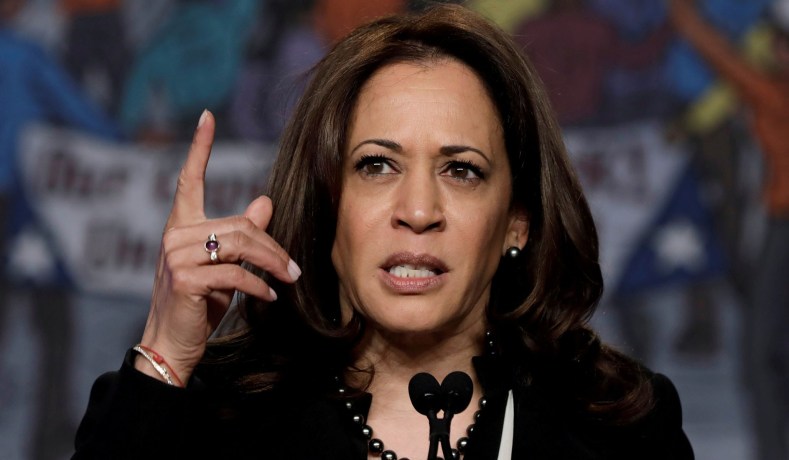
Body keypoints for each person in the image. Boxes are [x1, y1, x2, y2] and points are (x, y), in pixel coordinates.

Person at [73, 5, 694, 459]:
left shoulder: (620, 424)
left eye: (461, 170)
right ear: (328, 205)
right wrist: (165, 355)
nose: (418, 210)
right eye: (376, 165)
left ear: (518, 222)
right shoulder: (203, 413)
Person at [668, 1, 789, 459]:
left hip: (782, 225)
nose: (773, 49)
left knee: (761, 349)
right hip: (775, 222)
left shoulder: (774, 93)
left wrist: (684, 15)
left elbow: (721, 57)